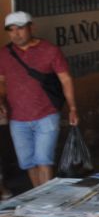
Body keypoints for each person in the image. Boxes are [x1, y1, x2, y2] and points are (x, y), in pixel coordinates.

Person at [0, 11, 79, 188]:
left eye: (20, 28)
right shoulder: (4, 54)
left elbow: (65, 79)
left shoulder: (49, 50)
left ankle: (47, 201)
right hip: (17, 119)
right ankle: (39, 197)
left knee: (43, 159)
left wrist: (73, 108)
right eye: (11, 30)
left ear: (31, 27)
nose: (16, 34)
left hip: (47, 114)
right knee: (28, 162)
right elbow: (2, 82)